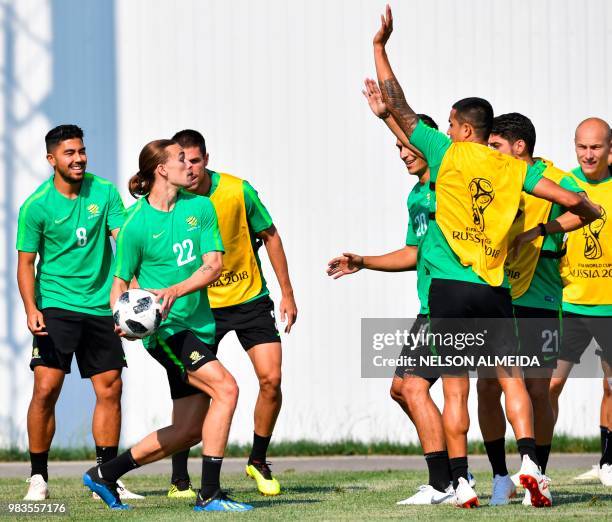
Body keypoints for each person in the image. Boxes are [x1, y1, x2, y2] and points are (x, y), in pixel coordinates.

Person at [371, 6, 601, 507]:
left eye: (451, 123)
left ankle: (461, 482)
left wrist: (380, 49)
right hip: (496, 288)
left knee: (456, 389)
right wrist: (546, 225)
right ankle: (529, 466)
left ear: (462, 127)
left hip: (450, 288)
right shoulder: (513, 168)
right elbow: (580, 206)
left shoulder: (447, 153)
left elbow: (402, 106)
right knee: (511, 378)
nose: (447, 129)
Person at [82, 139, 252, 512]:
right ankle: (209, 493)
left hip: (200, 326)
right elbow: (119, 284)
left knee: (189, 430)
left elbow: (213, 266)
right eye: (180, 160)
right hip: (167, 332)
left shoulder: (200, 207)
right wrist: (121, 320)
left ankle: (105, 475)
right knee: (228, 389)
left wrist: (176, 288)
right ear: (161, 169)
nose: (191, 166)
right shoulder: (135, 224)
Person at [328, 107, 457, 505]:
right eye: (396, 147)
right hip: (429, 304)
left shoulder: (447, 180)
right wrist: (364, 261)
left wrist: (387, 113)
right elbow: (412, 253)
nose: (402, 153)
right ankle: (454, 473)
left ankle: (445, 482)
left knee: (415, 386)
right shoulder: (417, 195)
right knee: (401, 389)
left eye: (407, 144)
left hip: (452, 302)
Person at [163, 129, 297, 498]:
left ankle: (258, 459)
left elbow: (270, 235)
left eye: (194, 160)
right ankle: (179, 478)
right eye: (182, 160)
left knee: (271, 379)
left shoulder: (238, 191)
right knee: (193, 393)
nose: (188, 167)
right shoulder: (173, 199)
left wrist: (287, 292)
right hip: (198, 306)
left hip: (249, 299)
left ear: (206, 159)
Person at [16, 124, 140, 501]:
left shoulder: (103, 192)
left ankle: (106, 475)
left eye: (82, 151)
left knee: (110, 388)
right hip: (56, 306)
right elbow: (26, 264)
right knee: (46, 389)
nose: (79, 158)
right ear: (51, 159)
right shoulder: (36, 206)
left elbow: (124, 239)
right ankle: (38, 477)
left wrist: (131, 287)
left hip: (101, 306)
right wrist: (31, 307)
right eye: (69, 153)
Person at [480, 113, 596, 505]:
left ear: (519, 147)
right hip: (495, 292)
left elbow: (587, 209)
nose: (489, 152)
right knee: (487, 385)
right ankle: (500, 476)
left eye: (495, 146)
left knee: (538, 388)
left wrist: (540, 231)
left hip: (540, 296)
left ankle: (537, 473)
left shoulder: (556, 178)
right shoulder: (492, 177)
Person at [549, 118, 612, 487]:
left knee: (610, 386)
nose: (588, 154)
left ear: (609, 149)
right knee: (550, 386)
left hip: (609, 307)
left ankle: (607, 463)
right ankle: (537, 464)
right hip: (569, 304)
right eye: (582, 147)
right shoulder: (564, 184)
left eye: (596, 147)